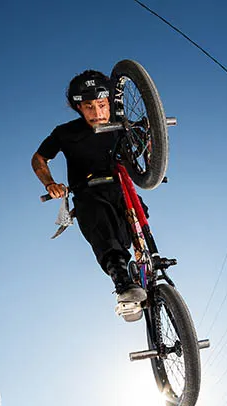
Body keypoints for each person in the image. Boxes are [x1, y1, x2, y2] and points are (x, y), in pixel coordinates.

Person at [31, 70, 147, 321]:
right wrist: (50, 183)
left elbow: (149, 137)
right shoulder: (65, 133)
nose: (98, 113)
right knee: (98, 220)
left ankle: (146, 266)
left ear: (110, 103)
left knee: (137, 217)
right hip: (88, 191)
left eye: (103, 105)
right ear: (78, 108)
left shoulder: (122, 123)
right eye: (89, 107)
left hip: (121, 188)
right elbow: (39, 158)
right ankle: (123, 284)